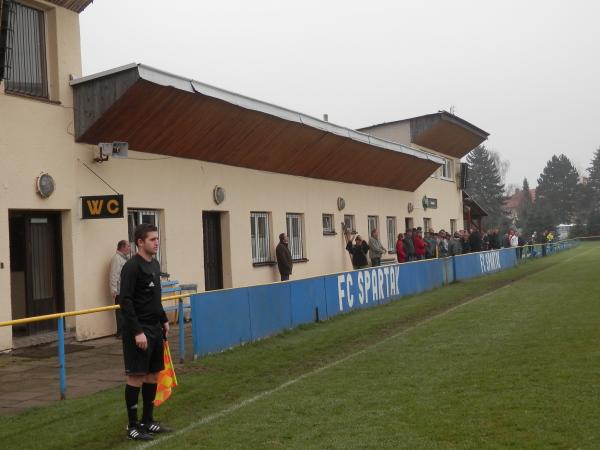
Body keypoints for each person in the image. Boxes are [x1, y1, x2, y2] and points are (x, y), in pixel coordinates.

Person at [119, 224, 171, 441]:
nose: (156, 242)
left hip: (155, 329)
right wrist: (137, 331)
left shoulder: (155, 264)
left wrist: (164, 319)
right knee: (136, 376)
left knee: (152, 374)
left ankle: (147, 421)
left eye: (157, 238)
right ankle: (132, 426)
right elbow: (126, 301)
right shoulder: (132, 267)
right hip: (138, 331)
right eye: (152, 239)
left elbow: (155, 297)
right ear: (140, 242)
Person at [110, 240, 131, 338]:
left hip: (126, 289)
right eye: (128, 246)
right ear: (122, 247)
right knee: (120, 312)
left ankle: (126, 331)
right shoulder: (116, 259)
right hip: (119, 290)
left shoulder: (124, 258)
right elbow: (114, 275)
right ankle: (120, 332)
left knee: (126, 310)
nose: (130, 248)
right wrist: (114, 289)